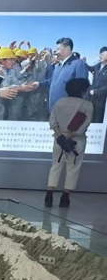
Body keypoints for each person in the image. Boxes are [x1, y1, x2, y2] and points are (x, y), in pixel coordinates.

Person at [45, 78, 93, 208]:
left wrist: (61, 137)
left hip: (59, 140)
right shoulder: (87, 105)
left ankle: (49, 195)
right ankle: (65, 197)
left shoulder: (59, 102)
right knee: (73, 168)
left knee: (55, 166)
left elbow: (52, 121)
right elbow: (84, 125)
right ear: (83, 90)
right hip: (76, 141)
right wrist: (69, 137)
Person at [40, 38, 90, 114]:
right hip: (54, 110)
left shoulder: (79, 64)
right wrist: (38, 84)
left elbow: (82, 91)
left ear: (67, 49)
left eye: (58, 49)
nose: (56, 52)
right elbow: (53, 81)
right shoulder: (59, 65)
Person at [86, 46, 107, 123]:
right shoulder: (98, 66)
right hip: (92, 98)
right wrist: (83, 63)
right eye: (100, 54)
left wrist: (97, 92)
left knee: (98, 119)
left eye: (102, 54)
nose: (100, 56)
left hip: (102, 100)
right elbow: (90, 68)